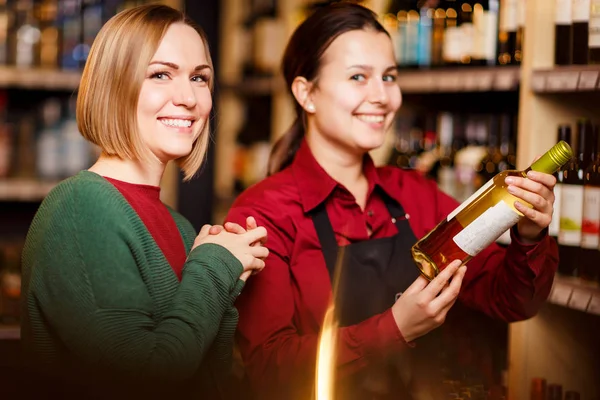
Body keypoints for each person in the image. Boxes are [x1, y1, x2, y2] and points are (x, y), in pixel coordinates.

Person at [224, 3, 559, 400]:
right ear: (306, 93)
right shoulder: (263, 213)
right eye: (357, 77)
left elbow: (509, 300)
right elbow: (269, 370)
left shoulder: (414, 194)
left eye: (389, 76)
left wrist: (530, 234)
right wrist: (394, 328)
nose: (382, 96)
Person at [20, 4, 268, 399]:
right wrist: (215, 267)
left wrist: (228, 279)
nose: (187, 97)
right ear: (113, 85)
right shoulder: (80, 206)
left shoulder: (181, 227)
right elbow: (144, 377)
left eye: (200, 78)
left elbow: (208, 380)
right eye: (160, 74)